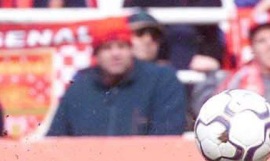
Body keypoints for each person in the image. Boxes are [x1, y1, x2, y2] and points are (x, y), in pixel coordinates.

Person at [46, 25, 186, 136]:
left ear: (131, 50)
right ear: (96, 55)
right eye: (107, 48)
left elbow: (168, 136)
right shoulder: (80, 86)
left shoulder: (162, 79)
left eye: (122, 46)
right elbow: (56, 138)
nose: (115, 54)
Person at [193, 22, 270, 129]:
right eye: (261, 40)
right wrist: (210, 75)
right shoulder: (238, 79)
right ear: (252, 49)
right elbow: (210, 115)